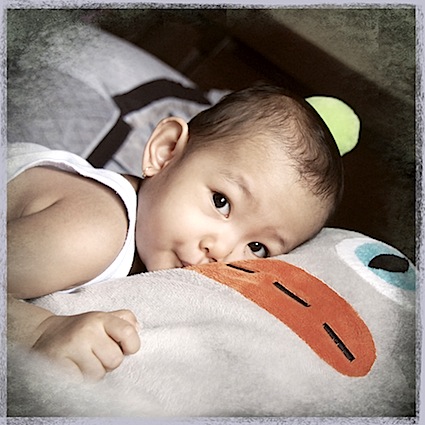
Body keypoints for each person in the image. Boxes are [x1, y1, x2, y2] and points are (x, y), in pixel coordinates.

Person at [7, 84, 343, 382]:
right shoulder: (94, 231)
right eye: (221, 201)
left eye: (257, 247)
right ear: (166, 151)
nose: (222, 251)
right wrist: (39, 332)